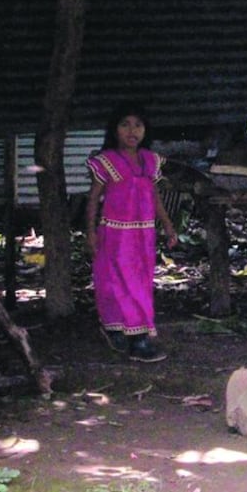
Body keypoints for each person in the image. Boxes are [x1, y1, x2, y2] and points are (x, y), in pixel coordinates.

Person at [84, 101, 178, 363]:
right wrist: (90, 233)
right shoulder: (105, 162)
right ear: (114, 130)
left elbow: (155, 196)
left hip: (143, 234)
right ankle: (132, 337)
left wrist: (168, 226)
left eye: (138, 125)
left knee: (140, 282)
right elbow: (93, 200)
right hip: (115, 234)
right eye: (125, 124)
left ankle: (129, 332)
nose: (132, 131)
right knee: (116, 282)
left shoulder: (151, 161)